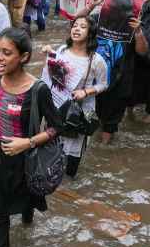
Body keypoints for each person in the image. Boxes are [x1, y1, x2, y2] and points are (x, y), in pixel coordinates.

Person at [0, 28, 63, 247]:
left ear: (24, 57)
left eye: (7, 53)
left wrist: (27, 143)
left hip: (25, 162)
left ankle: (28, 226)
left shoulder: (38, 89)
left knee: (27, 204)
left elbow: (57, 127)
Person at [40, 16, 107, 177]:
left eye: (82, 27)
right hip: (57, 107)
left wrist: (86, 92)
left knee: (72, 154)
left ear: (90, 33)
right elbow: (54, 76)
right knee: (51, 145)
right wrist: (49, 56)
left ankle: (70, 181)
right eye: (75, 25)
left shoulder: (96, 60)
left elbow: (104, 84)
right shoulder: (62, 50)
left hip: (79, 113)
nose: (76, 29)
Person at [76, 0, 137, 144]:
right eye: (113, 8)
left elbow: (143, 51)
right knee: (92, 114)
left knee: (110, 122)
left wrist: (140, 32)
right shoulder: (98, 20)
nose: (117, 13)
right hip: (94, 78)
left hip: (119, 80)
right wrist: (92, 5)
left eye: (122, 10)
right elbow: (76, 21)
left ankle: (103, 147)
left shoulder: (133, 26)